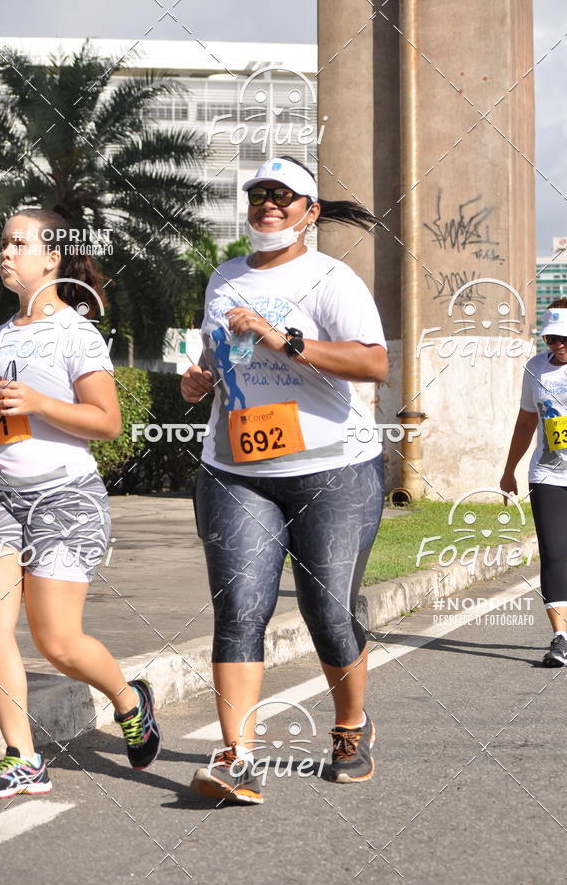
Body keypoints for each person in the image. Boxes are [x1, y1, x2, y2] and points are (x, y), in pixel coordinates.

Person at [181, 156, 388, 804]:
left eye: (283, 195)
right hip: (235, 470)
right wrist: (200, 379)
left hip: (334, 469)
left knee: (328, 610)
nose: (268, 204)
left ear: (310, 211)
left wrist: (284, 338)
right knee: (240, 609)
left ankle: (352, 726)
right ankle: (236, 756)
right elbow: (222, 357)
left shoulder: (332, 278)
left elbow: (372, 361)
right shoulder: (224, 277)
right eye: (259, 195)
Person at [0, 208, 160, 798]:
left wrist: (36, 403)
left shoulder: (77, 332)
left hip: (63, 499)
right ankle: (22, 758)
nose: (5, 253)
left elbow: (108, 422)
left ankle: (129, 699)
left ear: (52, 258)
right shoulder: (3, 334)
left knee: (56, 642)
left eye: (18, 243)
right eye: (2, 244)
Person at [501, 297, 567, 667]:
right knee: (555, 553)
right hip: (550, 474)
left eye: (566, 339)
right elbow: (526, 422)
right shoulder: (535, 369)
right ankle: (561, 638)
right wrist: (509, 469)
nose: (558, 346)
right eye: (551, 339)